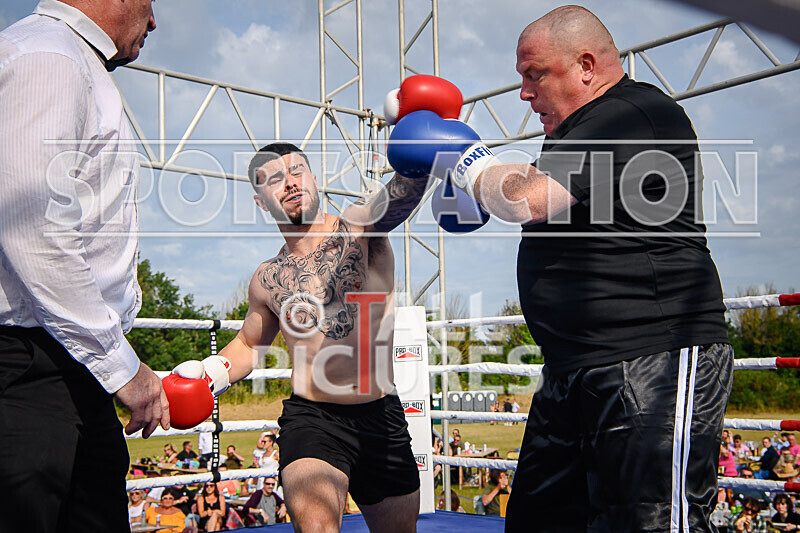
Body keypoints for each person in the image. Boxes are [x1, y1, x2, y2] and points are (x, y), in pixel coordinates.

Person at [389, 6, 733, 531]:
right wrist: (459, 177)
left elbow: (525, 199)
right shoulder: (575, 133)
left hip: (651, 357)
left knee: (650, 523)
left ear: (586, 66)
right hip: (573, 368)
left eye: (534, 75)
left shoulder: (634, 113)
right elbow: (514, 192)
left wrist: (458, 152)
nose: (524, 94)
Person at [170, 142, 427, 532]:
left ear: (314, 179)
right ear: (261, 202)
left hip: (381, 416)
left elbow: (398, 197)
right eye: (275, 179)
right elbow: (248, 345)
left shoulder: (358, 229)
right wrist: (209, 374)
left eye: (296, 171)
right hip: (313, 420)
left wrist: (424, 154)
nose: (289, 183)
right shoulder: (266, 278)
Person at [0, 1, 165, 531]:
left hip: (67, 362)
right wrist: (121, 366)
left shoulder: (69, 60)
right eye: (149, 2)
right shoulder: (49, 57)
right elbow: (33, 229)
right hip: (30, 366)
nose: (154, 21)